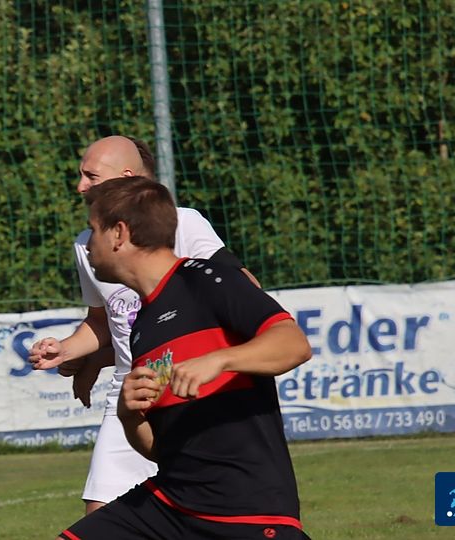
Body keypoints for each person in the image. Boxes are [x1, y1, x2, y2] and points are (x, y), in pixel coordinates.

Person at [59, 177, 312, 539]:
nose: (88, 244)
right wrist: (129, 415)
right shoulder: (143, 323)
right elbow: (163, 450)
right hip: (172, 502)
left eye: (93, 230)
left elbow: (293, 344)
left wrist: (220, 359)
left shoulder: (209, 279)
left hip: (247, 510)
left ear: (119, 234)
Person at [29, 135, 259, 515]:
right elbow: (103, 321)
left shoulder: (183, 224)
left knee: (214, 514)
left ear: (126, 177)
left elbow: (245, 290)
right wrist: (67, 350)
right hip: (131, 393)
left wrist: (216, 359)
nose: (80, 186)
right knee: (100, 516)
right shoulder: (88, 245)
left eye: (91, 176)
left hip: (192, 389)